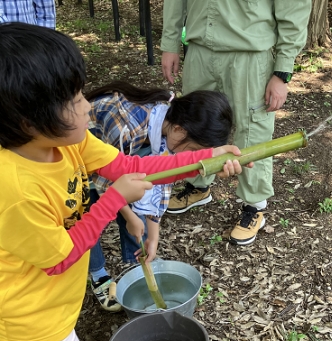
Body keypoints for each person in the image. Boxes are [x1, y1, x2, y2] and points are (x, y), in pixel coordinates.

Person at [0, 23, 244, 341]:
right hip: (28, 310)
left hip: (51, 300)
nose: (88, 108)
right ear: (28, 119)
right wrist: (112, 202)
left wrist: (208, 157)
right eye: (74, 100)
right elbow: (59, 258)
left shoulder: (67, 143)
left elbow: (139, 169)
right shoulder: (15, 189)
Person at [161, 0, 312, 245]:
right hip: (200, 48)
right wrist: (170, 43)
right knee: (196, 123)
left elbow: (294, 7)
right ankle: (198, 185)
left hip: (249, 52)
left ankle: (255, 205)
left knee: (253, 129)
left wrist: (283, 70)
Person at [86, 82, 233, 311]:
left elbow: (160, 180)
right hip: (81, 167)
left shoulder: (168, 124)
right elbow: (106, 181)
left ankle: (134, 262)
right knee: (86, 214)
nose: (192, 159)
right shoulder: (126, 125)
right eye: (194, 151)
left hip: (120, 162)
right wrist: (131, 217)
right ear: (179, 131)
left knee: (138, 211)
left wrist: (152, 237)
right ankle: (98, 274)